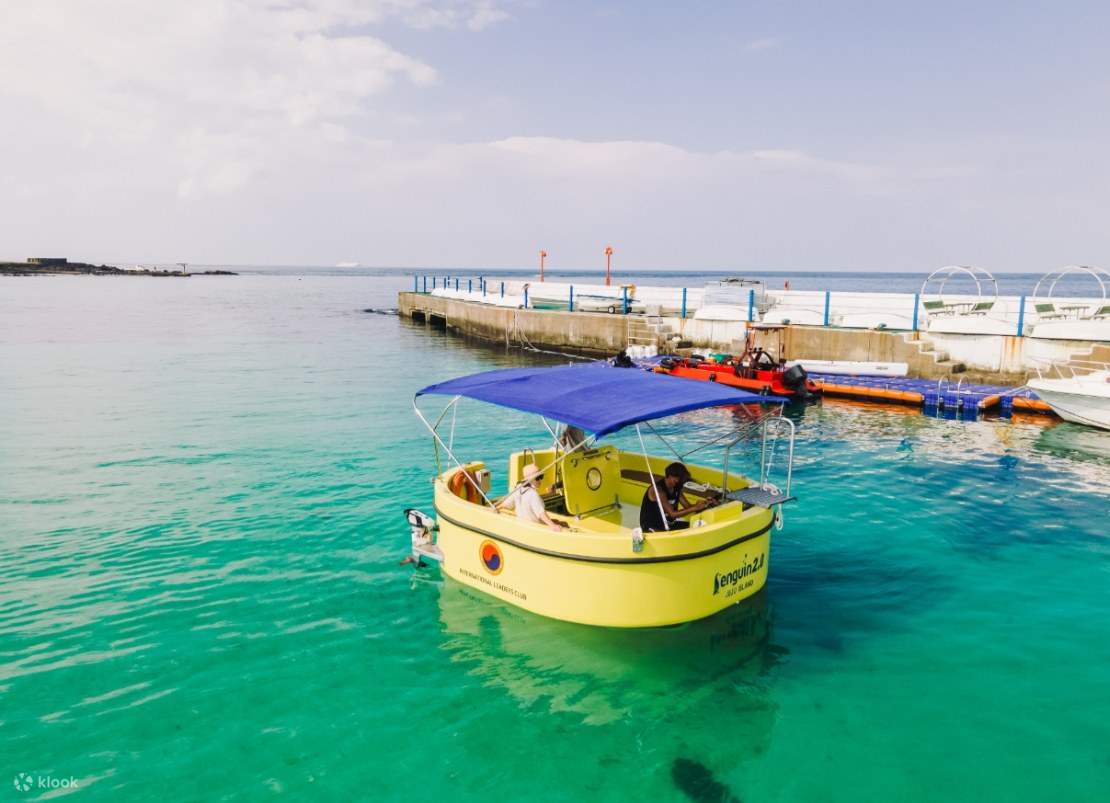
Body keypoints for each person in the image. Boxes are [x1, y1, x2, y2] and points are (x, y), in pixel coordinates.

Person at [640, 462, 716, 532]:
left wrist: (705, 504)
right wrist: (695, 507)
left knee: (696, 527)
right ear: (670, 476)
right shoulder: (658, 490)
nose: (679, 482)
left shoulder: (676, 487)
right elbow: (673, 514)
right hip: (652, 527)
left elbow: (688, 506)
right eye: (677, 480)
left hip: (668, 524)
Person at [497, 463, 566, 532]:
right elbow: (541, 513)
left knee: (557, 521)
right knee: (562, 524)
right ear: (530, 480)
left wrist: (497, 508)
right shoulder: (533, 494)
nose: (540, 480)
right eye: (537, 478)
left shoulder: (518, 488)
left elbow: (506, 503)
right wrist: (553, 525)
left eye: (541, 477)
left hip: (523, 524)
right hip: (535, 527)